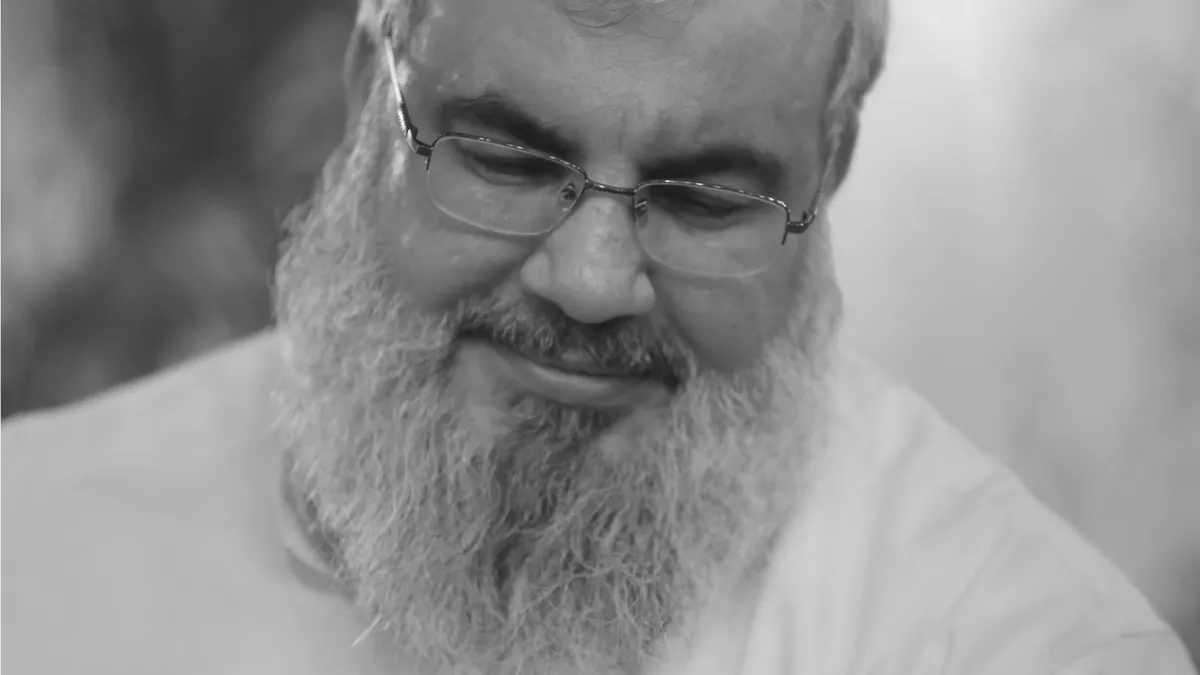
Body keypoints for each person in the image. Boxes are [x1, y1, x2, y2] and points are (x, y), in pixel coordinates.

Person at [2, 0, 1196, 673]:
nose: (589, 281)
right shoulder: (34, 548)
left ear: (827, 174)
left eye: (706, 198)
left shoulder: (1017, 641)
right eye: (507, 159)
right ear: (371, 91)